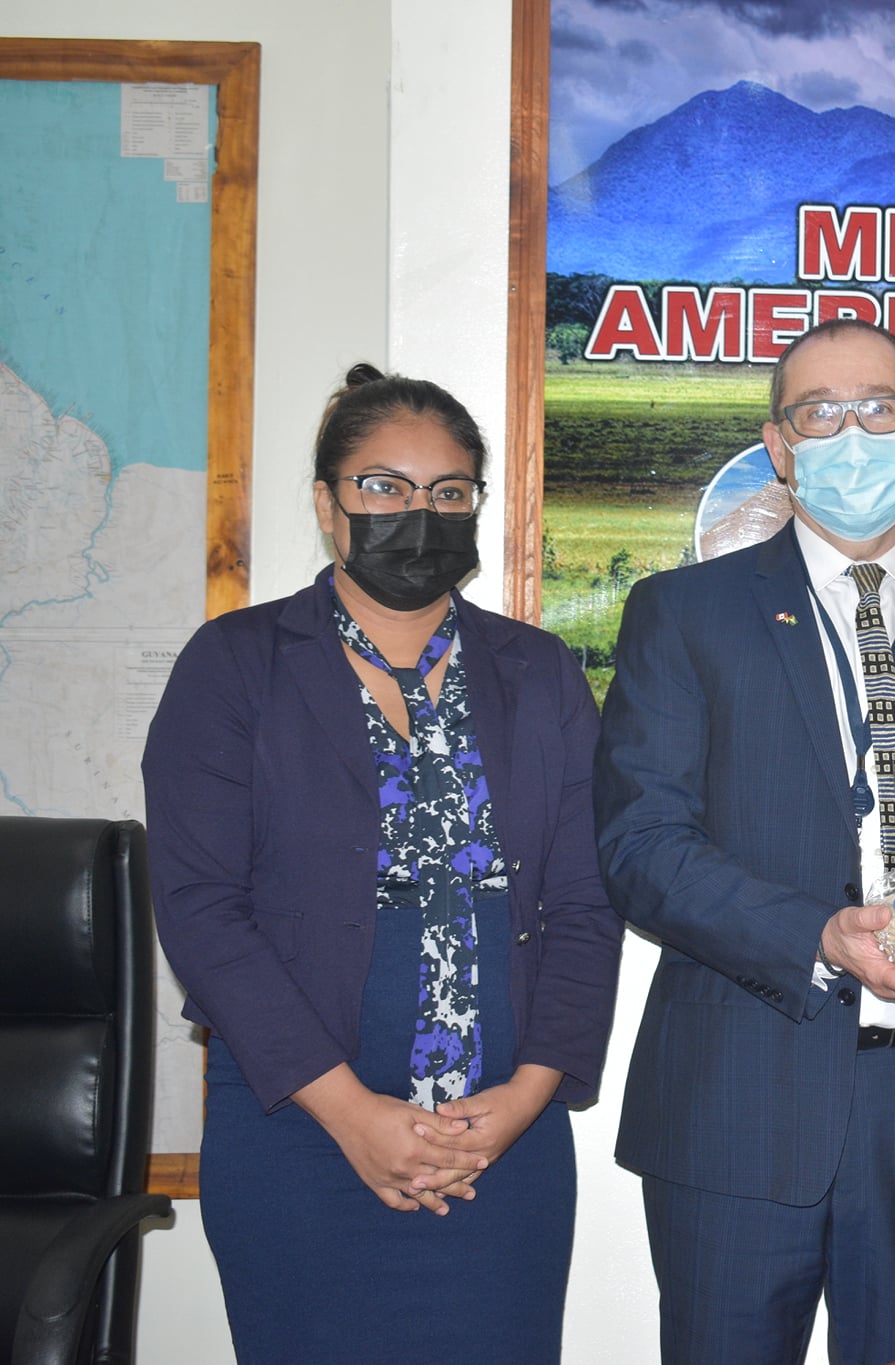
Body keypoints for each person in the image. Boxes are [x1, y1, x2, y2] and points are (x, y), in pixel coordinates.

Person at [594, 318, 895, 1365]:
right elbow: (640, 845)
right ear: (779, 444)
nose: (852, 433)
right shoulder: (684, 614)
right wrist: (820, 934)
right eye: (819, 412)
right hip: (737, 1096)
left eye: (879, 408)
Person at [142, 366, 624, 1363]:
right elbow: (199, 910)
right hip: (299, 1129)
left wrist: (529, 1094)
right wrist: (353, 1114)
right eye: (383, 487)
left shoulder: (539, 673)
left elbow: (585, 902)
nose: (419, 514)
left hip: (504, 1140)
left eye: (449, 492)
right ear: (327, 504)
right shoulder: (235, 664)